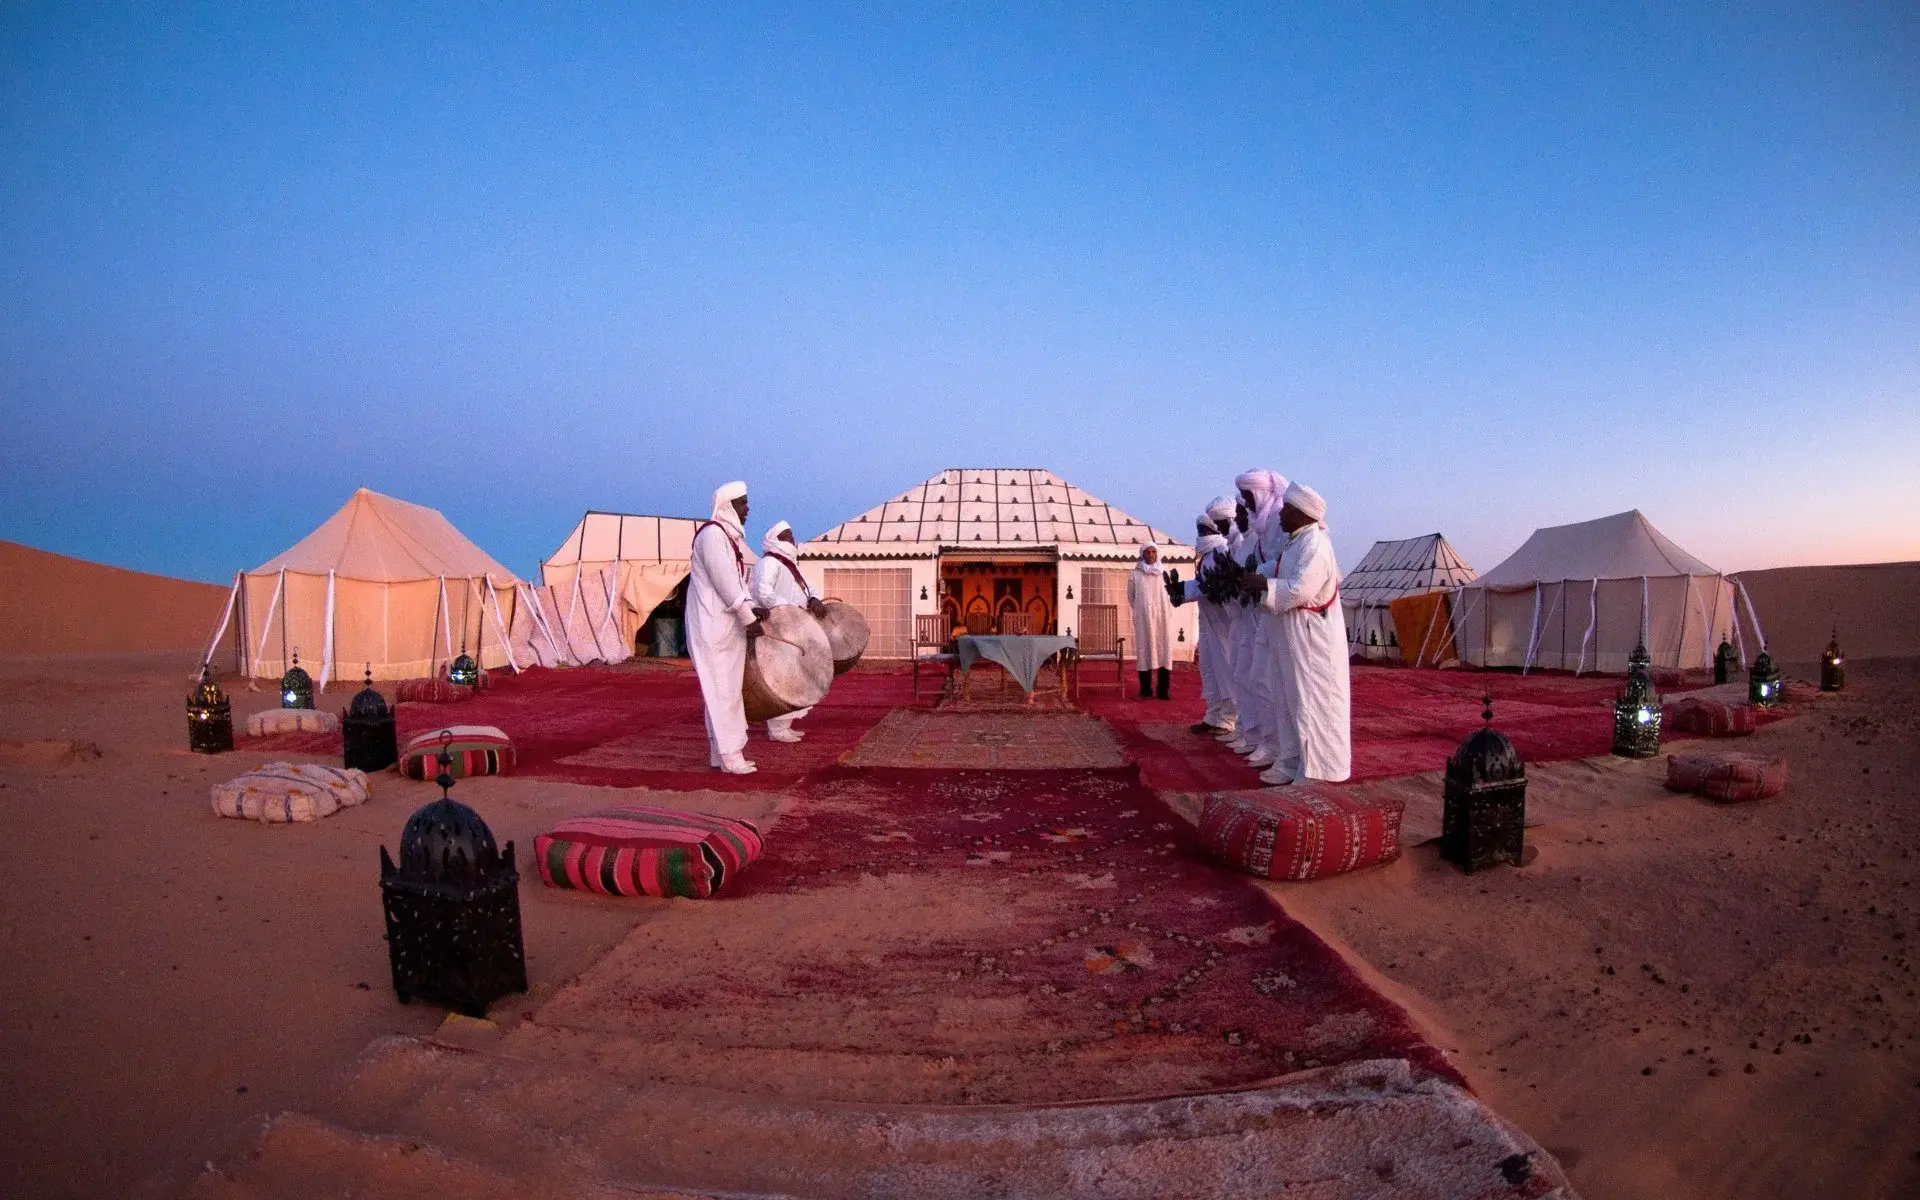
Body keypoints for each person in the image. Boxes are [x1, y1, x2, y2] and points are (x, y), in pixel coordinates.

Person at [1246, 481, 1351, 784]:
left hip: (1312, 641)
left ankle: (1318, 771)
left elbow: (1299, 589)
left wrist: (1263, 586)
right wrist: (1258, 575)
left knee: (1312, 703)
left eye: (1287, 509)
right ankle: (1291, 761)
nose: (1281, 514)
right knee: (1288, 701)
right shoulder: (1296, 542)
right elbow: (1280, 569)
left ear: (1303, 513)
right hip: (1292, 636)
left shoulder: (1315, 544)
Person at [687, 481, 768, 774]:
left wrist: (751, 607)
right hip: (712, 627)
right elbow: (725, 583)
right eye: (742, 503)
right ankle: (731, 756)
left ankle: (719, 754)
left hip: (724, 627)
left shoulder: (725, 538)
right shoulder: (711, 536)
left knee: (723, 691)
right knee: (722, 692)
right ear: (727, 506)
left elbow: (736, 582)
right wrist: (749, 618)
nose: (748, 508)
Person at [1224, 469, 1287, 766]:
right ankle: (1258, 738)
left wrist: (1256, 574)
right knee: (1250, 678)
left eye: (1247, 497)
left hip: (1273, 614)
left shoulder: (1279, 523)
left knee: (1267, 682)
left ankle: (1274, 746)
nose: (1245, 507)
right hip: (1254, 617)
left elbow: (1285, 564)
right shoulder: (1262, 530)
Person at [752, 520, 829, 742]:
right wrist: (790, 607)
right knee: (781, 676)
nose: (792, 540)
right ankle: (776, 729)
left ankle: (785, 725)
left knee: (795, 675)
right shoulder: (769, 562)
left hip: (795, 626)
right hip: (778, 626)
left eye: (792, 535)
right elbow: (762, 592)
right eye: (787, 536)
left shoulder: (790, 565)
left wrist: (814, 598)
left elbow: (808, 588)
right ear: (775, 539)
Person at [1177, 499, 1238, 734]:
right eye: (1199, 530)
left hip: (1224, 622)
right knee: (1210, 669)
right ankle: (1213, 714)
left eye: (1205, 530)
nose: (1202, 535)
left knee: (1225, 669)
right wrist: (1180, 590)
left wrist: (1188, 591)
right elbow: (1202, 584)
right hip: (1207, 621)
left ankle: (1228, 718)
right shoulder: (1207, 556)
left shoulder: (1223, 551)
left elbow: (1215, 586)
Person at [1128, 543, 1174, 699]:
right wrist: (1144, 610)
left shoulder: (1164, 573)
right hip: (1143, 618)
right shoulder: (1135, 574)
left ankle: (1163, 691)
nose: (1151, 555)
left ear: (1157, 554)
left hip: (1162, 618)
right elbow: (1131, 597)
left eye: (1153, 552)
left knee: (1164, 650)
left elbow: (1171, 594)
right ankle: (1145, 690)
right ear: (1142, 554)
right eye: (1147, 552)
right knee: (1144, 651)